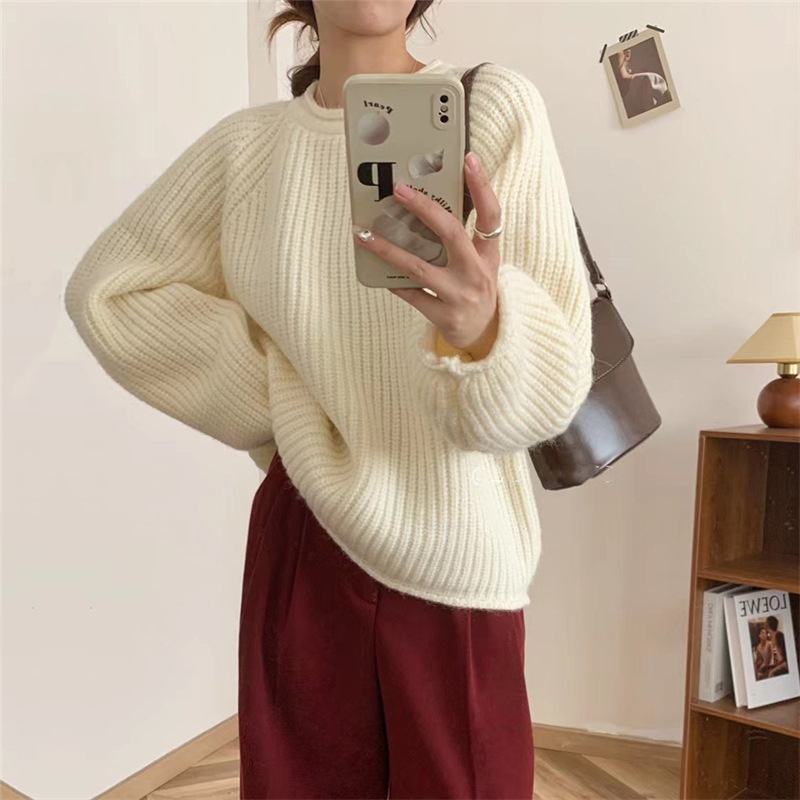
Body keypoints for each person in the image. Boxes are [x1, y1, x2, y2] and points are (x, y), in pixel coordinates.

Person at [63, 1, 594, 797]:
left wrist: (485, 329)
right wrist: (284, 396)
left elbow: (547, 402)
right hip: (306, 534)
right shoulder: (247, 150)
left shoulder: (492, 109)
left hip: (459, 548)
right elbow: (109, 293)